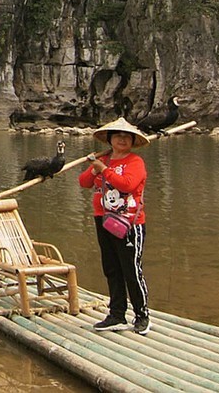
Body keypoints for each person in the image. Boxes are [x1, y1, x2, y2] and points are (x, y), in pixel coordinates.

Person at [78, 117, 151, 335]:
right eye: (117, 135)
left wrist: (103, 169)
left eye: (126, 136)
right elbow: (84, 182)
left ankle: (142, 315)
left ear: (132, 141)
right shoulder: (104, 160)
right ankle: (117, 314)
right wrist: (95, 169)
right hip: (104, 219)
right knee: (111, 268)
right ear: (110, 139)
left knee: (131, 269)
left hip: (129, 223)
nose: (121, 139)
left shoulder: (135, 162)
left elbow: (126, 184)